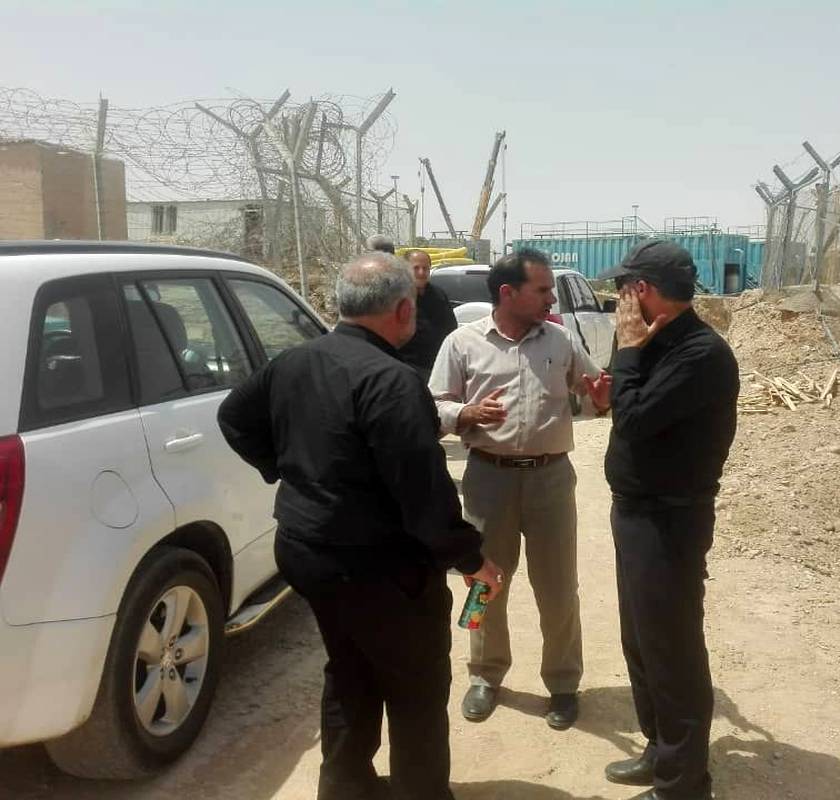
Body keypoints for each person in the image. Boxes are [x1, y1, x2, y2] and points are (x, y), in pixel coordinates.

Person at [218, 251, 502, 800]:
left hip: (306, 550)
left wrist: (287, 470)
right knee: (416, 686)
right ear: (403, 310)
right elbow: (424, 495)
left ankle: (345, 786)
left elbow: (234, 417)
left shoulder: (294, 361)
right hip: (376, 566)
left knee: (350, 669)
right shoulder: (392, 381)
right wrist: (472, 559)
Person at [429, 247, 611, 732]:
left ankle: (563, 683)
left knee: (558, 587)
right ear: (508, 293)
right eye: (543, 289)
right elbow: (434, 406)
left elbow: (591, 393)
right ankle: (484, 674)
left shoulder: (559, 338)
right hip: (488, 478)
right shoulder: (462, 342)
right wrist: (465, 413)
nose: (551, 297)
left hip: (551, 478)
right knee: (483, 581)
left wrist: (600, 399)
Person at [596, 241, 739, 800]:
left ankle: (682, 785)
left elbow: (633, 420)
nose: (618, 301)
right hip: (636, 513)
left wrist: (629, 352)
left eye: (623, 289)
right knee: (640, 641)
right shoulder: (653, 341)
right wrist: (622, 366)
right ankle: (661, 750)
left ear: (644, 290)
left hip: (669, 521)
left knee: (672, 650)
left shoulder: (700, 353)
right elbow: (626, 405)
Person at [395, 249, 458, 381]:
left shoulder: (438, 295)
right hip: (405, 369)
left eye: (425, 268)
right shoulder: (395, 297)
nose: (421, 273)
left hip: (437, 367)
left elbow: (451, 329)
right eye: (416, 268)